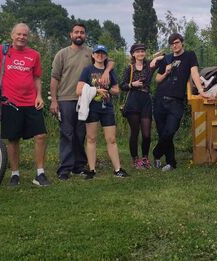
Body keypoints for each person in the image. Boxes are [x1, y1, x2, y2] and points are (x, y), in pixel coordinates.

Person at [0, 23, 50, 187]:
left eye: (25, 35)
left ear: (28, 37)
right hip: (9, 102)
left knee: (40, 135)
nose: (21, 37)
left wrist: (39, 96)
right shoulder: (1, 51)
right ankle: (15, 174)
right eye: (18, 34)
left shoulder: (34, 54)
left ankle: (40, 174)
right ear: (12, 35)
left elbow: (36, 78)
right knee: (13, 139)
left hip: (31, 101)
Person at [50, 23, 113, 180]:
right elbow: (54, 78)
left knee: (80, 134)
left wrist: (106, 72)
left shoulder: (91, 53)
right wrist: (54, 100)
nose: (79, 35)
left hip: (86, 99)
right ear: (70, 34)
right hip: (65, 99)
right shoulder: (62, 54)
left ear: (85, 35)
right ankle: (65, 168)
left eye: (82, 32)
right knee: (67, 133)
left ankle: (79, 166)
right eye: (76, 32)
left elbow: (110, 61)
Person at [153, 33, 208, 171]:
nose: (174, 46)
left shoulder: (189, 56)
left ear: (182, 42)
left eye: (177, 42)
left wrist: (200, 90)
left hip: (176, 101)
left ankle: (156, 153)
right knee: (163, 133)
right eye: (172, 44)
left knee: (170, 131)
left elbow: (194, 73)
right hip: (159, 100)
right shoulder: (167, 59)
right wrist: (165, 72)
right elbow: (157, 79)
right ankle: (171, 163)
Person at [76, 44, 128, 179]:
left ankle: (117, 169)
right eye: (97, 53)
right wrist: (96, 90)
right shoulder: (87, 70)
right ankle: (92, 170)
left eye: (102, 53)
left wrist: (107, 89)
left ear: (105, 56)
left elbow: (117, 90)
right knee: (91, 138)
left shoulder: (110, 71)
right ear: (93, 55)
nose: (100, 55)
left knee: (111, 139)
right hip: (92, 108)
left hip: (107, 108)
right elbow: (78, 90)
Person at [120, 43, 163, 169]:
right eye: (137, 51)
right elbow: (122, 85)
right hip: (133, 100)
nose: (140, 53)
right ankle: (135, 159)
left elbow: (162, 59)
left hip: (145, 100)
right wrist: (132, 84)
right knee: (135, 132)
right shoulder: (130, 68)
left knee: (146, 133)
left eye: (142, 51)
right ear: (133, 54)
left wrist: (157, 58)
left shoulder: (148, 66)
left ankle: (145, 158)